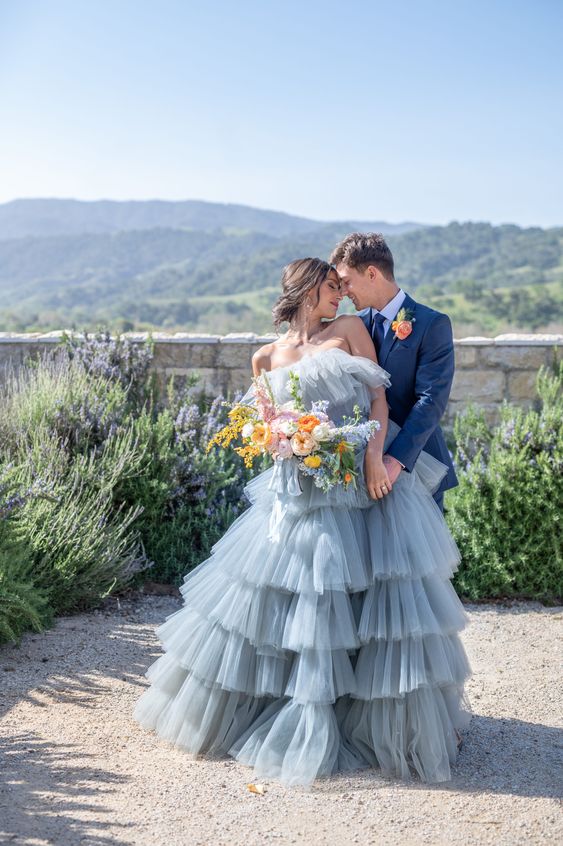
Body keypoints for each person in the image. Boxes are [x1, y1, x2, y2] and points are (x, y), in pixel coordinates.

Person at [133, 258, 472, 787]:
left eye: (343, 286)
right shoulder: (265, 357)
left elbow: (378, 403)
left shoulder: (351, 331)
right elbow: (265, 427)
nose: (340, 296)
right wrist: (279, 441)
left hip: (358, 486)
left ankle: (373, 718)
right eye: (332, 288)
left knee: (377, 604)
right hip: (296, 492)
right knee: (289, 601)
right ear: (307, 290)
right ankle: (288, 713)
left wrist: (371, 455)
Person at [330, 233, 457, 512]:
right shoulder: (353, 327)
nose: (343, 293)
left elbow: (431, 400)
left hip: (416, 465)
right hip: (362, 468)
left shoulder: (431, 324)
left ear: (372, 273)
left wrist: (394, 460)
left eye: (347, 282)